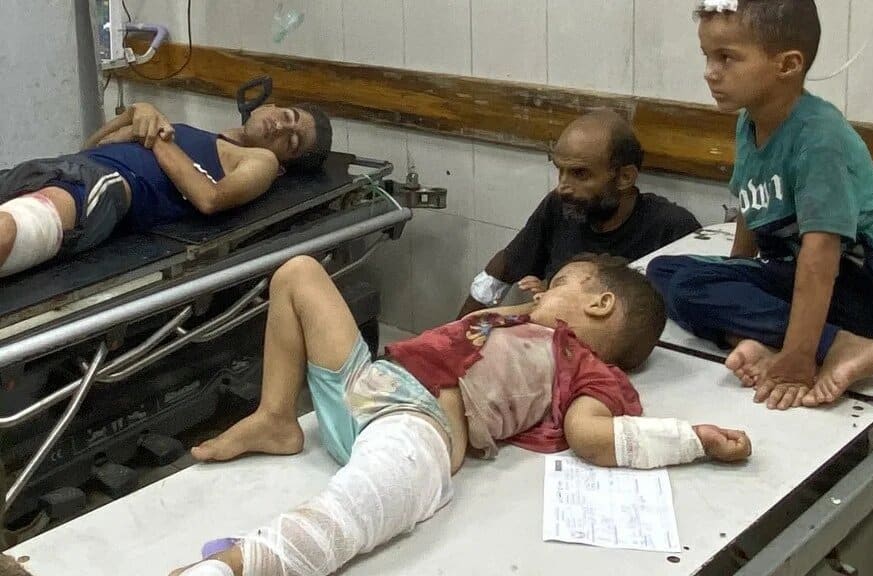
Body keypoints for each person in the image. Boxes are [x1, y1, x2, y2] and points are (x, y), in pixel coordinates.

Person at [169, 253, 752, 576]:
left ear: (599, 305)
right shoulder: (522, 322)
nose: (540, 292)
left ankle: (237, 566)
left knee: (352, 511)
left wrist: (691, 439)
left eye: (559, 285)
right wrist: (528, 305)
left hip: (417, 423)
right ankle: (277, 417)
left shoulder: (583, 365)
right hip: (369, 384)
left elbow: (591, 436)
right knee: (298, 273)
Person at [647, 0, 873, 411]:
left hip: (858, 292)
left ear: (788, 65)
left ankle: (840, 346)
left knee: (687, 289)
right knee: (662, 272)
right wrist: (736, 277)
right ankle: (762, 338)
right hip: (793, 275)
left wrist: (798, 360)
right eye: (707, 56)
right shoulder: (750, 119)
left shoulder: (819, 137)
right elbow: (750, 200)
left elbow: (821, 258)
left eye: (726, 57)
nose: (710, 72)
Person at [0, 100, 332, 277]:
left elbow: (210, 198)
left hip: (106, 186)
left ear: (284, 164)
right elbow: (89, 148)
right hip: (59, 168)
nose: (281, 126)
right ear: (270, 105)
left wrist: (156, 135)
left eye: (292, 142)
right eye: (288, 116)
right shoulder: (196, 134)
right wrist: (137, 112)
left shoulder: (262, 161)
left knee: (5, 231)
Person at [458, 110, 702, 318]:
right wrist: (453, 335)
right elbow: (504, 266)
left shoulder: (671, 228)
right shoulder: (559, 206)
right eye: (560, 171)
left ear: (625, 177)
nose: (563, 187)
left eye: (580, 174)